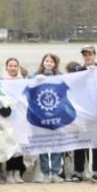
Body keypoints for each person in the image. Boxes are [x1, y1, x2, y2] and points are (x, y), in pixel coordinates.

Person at [74, 45, 97, 182]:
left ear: (95, 55)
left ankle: (96, 170)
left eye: (90, 54)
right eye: (85, 55)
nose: (88, 57)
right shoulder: (77, 72)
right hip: (82, 111)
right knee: (80, 140)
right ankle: (78, 170)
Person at [32, 53, 64, 183]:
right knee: (43, 143)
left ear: (55, 64)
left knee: (56, 144)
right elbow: (28, 90)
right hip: (40, 116)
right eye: (47, 61)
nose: (49, 63)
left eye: (52, 61)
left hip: (57, 115)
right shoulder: (34, 76)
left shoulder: (60, 77)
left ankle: (55, 172)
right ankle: (45, 172)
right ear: (43, 62)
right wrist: (35, 81)